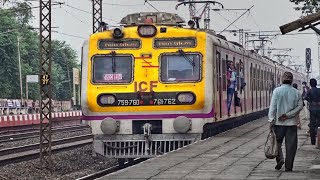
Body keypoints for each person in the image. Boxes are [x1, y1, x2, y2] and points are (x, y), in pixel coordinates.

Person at [268, 72, 303, 171]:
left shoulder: (277, 91)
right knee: (291, 146)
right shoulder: (297, 93)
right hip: (291, 124)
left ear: (282, 79)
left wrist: (271, 120)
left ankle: (280, 159)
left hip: (278, 123)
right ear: (291, 80)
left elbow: (273, 107)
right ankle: (288, 166)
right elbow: (300, 107)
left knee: (277, 142)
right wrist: (288, 115)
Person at [304, 78, 320, 145]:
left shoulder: (309, 91)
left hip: (312, 108)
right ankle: (319, 140)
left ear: (310, 84)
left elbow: (305, 97)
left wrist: (310, 101)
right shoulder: (319, 90)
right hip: (319, 108)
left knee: (312, 124)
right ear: (316, 83)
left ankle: (313, 141)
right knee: (319, 124)